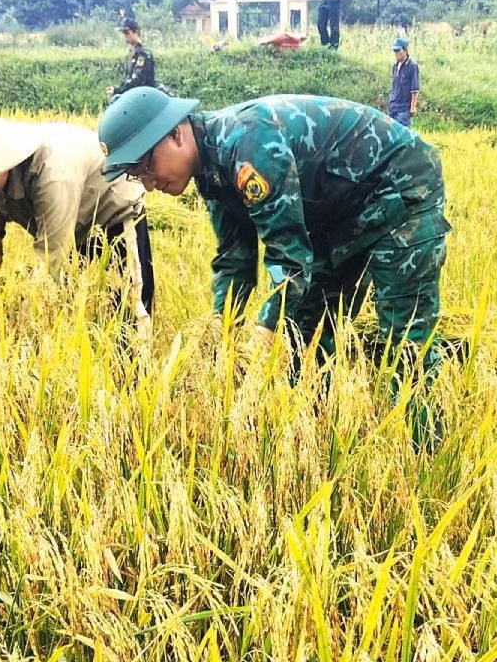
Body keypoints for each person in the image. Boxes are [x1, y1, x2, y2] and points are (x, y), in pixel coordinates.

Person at [97, 87, 450, 436]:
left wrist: (260, 342)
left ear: (176, 133)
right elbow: (235, 259)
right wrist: (223, 332)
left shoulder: (249, 147)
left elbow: (290, 259)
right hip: (338, 215)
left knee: (404, 340)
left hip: (400, 186)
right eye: (135, 174)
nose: (148, 181)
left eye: (146, 164)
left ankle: (424, 449)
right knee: (306, 335)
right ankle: (316, 433)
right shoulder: (210, 170)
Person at [0, 110, 154, 324]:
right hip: (74, 221)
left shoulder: (53, 176)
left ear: (3, 163)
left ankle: (136, 368)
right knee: (81, 306)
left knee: (128, 308)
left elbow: (53, 256)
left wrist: (28, 316)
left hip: (113, 215)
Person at [107, 16, 159, 100]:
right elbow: (128, 78)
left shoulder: (143, 54)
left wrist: (118, 90)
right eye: (123, 33)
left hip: (145, 97)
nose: (125, 36)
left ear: (136, 32)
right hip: (134, 97)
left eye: (127, 33)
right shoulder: (130, 55)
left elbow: (138, 79)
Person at [388, 37, 421, 127]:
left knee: (403, 137)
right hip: (393, 107)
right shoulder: (395, 66)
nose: (396, 53)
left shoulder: (412, 66)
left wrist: (413, 107)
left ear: (405, 50)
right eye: (394, 50)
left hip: (404, 109)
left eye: (398, 50)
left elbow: (415, 89)